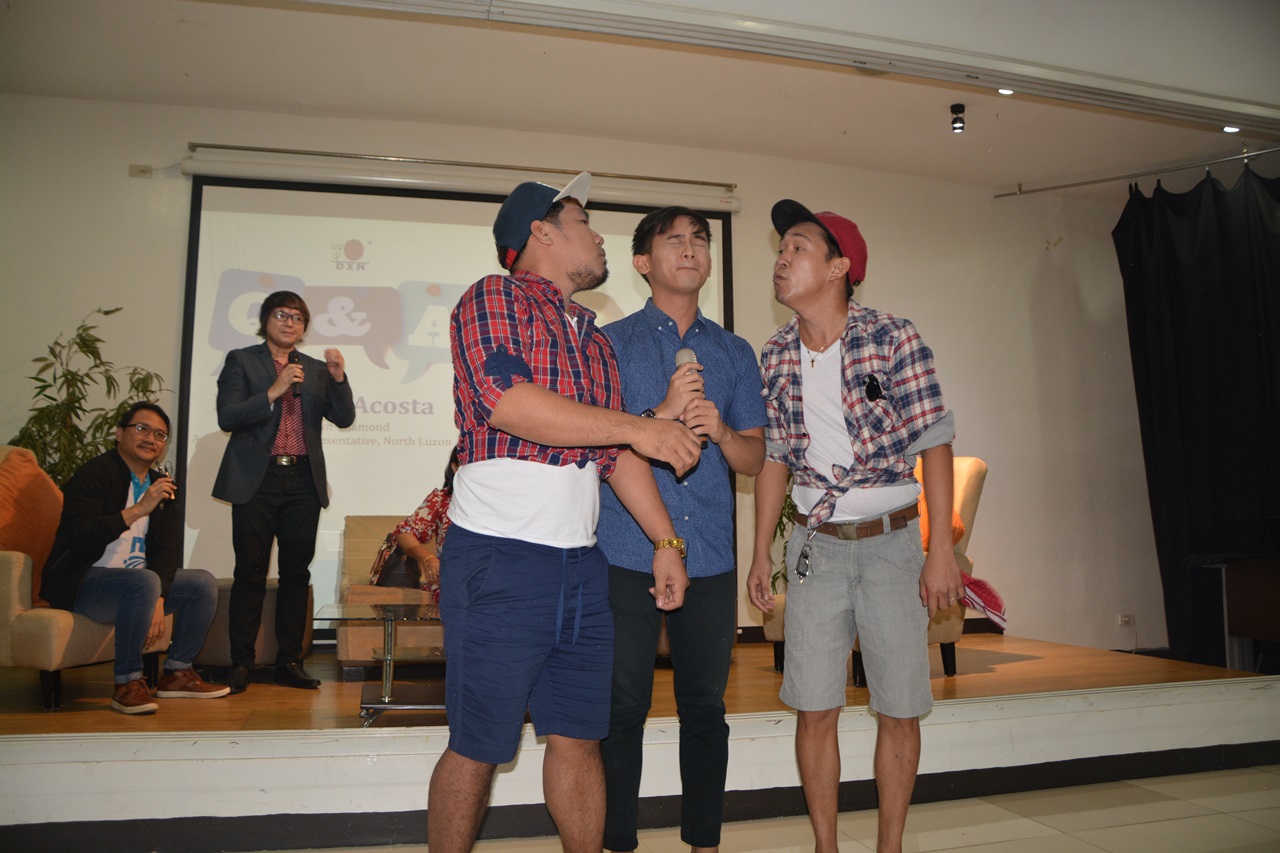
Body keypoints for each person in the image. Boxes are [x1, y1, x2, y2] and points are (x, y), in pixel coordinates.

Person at [427, 172, 703, 853]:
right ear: (540, 233)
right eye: (583, 220)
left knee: (581, 737)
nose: (600, 235)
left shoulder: (593, 339)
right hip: (499, 557)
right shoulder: (492, 297)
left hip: (581, 566)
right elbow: (508, 402)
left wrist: (665, 541)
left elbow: (613, 454)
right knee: (478, 744)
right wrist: (640, 426)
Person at [745, 200, 962, 853]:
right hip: (816, 548)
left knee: (899, 706)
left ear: (839, 268)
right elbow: (776, 458)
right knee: (814, 705)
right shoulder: (775, 353)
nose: (782, 258)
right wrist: (761, 552)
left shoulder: (892, 337)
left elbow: (935, 441)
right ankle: (826, 846)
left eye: (798, 247)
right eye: (781, 248)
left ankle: (889, 846)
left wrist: (940, 551)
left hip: (893, 544)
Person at [596, 207, 766, 853]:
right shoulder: (609, 344)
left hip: (711, 554)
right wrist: (659, 412)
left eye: (700, 239)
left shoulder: (734, 351)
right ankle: (617, 841)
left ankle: (704, 842)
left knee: (704, 707)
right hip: (625, 548)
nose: (690, 248)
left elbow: (753, 459)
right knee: (622, 707)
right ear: (643, 262)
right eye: (675, 240)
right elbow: (604, 443)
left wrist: (721, 430)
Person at [40, 402, 229, 714]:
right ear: (119, 433)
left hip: (139, 586)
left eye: (160, 435)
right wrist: (139, 509)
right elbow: (78, 537)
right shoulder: (94, 474)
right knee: (143, 581)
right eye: (142, 429)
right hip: (85, 584)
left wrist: (159, 597)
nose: (150, 439)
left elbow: (167, 550)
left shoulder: (162, 486)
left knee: (201, 582)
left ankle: (177, 673)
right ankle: (127, 683)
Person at [212, 291, 355, 693]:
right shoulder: (242, 361)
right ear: (266, 320)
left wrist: (339, 378)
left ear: (303, 327)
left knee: (296, 574)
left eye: (297, 317)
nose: (289, 322)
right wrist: (273, 391)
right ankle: (242, 662)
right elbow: (228, 416)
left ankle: (289, 662)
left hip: (302, 481)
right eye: (281, 315)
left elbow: (344, 417)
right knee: (250, 573)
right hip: (257, 479)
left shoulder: (315, 369)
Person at [369, 447, 459, 599]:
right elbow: (404, 533)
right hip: (451, 583)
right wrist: (428, 558)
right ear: (455, 467)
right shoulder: (442, 499)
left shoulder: (498, 501)